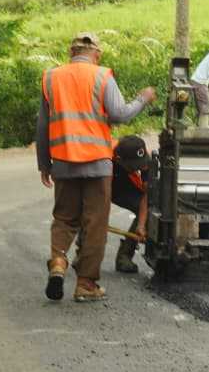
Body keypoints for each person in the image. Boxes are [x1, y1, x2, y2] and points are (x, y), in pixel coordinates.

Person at [38, 32, 156, 303]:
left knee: (65, 218)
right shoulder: (103, 76)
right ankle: (86, 285)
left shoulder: (51, 78)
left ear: (71, 53)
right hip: (97, 163)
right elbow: (119, 115)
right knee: (95, 223)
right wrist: (142, 98)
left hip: (64, 161)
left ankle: (58, 262)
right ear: (97, 54)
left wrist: (44, 164)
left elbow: (43, 126)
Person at [111, 135, 152, 274]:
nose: (140, 167)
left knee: (149, 213)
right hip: (104, 184)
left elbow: (146, 194)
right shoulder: (105, 158)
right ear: (119, 159)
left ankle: (124, 257)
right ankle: (83, 254)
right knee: (93, 216)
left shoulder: (146, 161)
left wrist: (141, 225)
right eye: (135, 165)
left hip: (127, 187)